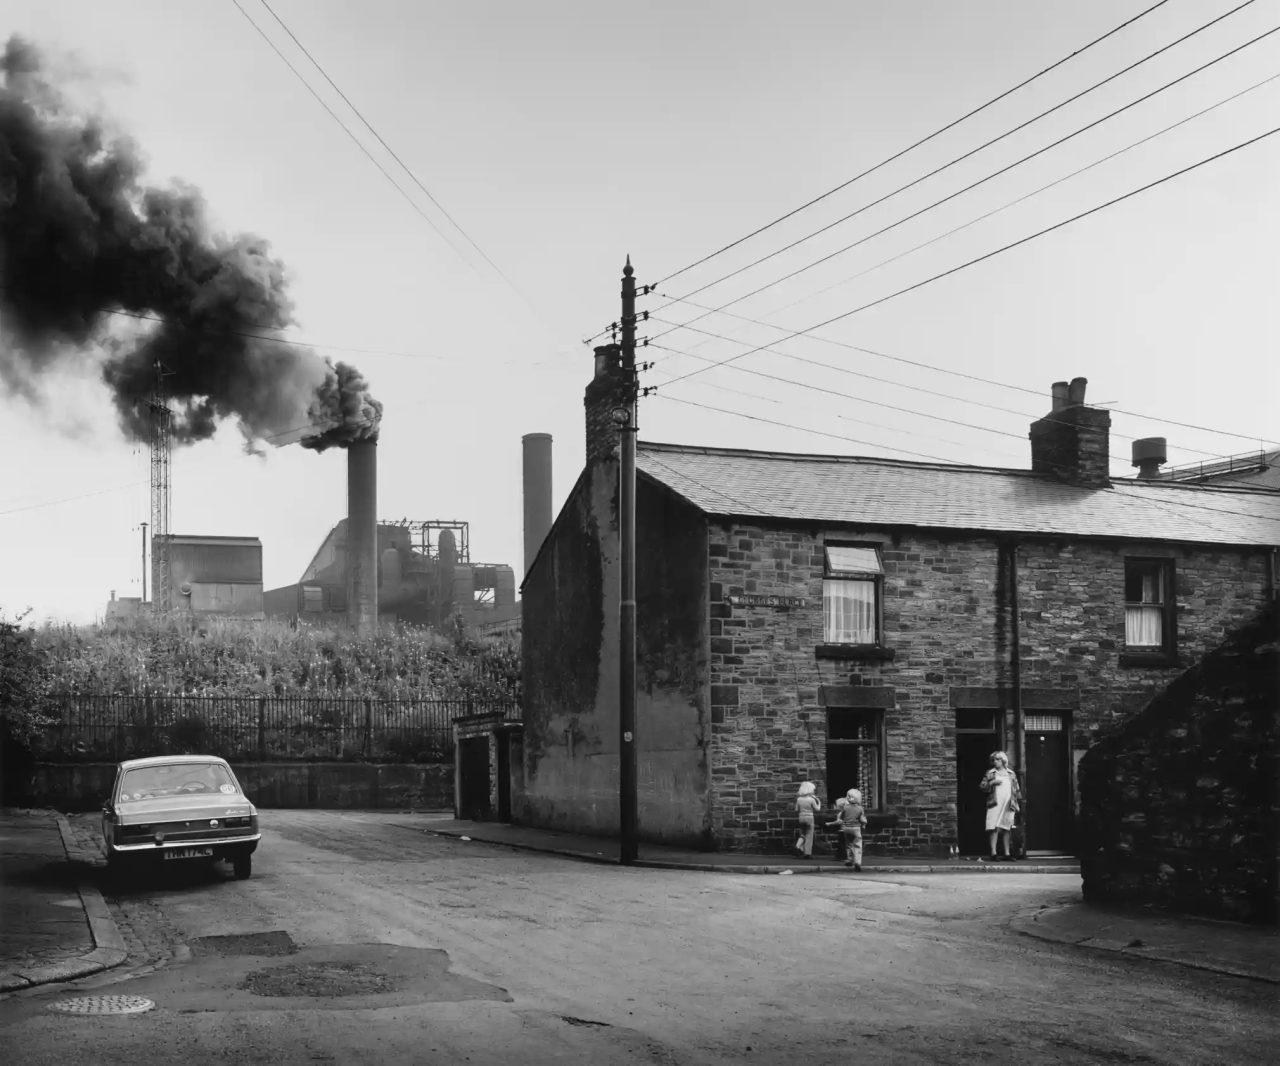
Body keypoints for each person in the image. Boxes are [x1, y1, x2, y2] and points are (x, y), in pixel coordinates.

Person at [979, 751, 1021, 861]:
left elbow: (1016, 790)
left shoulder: (1011, 774)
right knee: (994, 827)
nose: (995, 762)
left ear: (1003, 761)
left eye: (997, 759)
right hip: (995, 804)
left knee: (1007, 828)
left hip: (1008, 804)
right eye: (993, 760)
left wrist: (1017, 804)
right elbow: (982, 787)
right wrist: (992, 783)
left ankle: (1007, 853)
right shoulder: (990, 773)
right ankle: (993, 853)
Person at [838, 788, 868, 871]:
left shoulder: (845, 808)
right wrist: (864, 824)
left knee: (849, 844)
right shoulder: (860, 808)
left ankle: (849, 859)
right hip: (856, 828)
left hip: (846, 828)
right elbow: (862, 819)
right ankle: (857, 862)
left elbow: (841, 817)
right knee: (857, 845)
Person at [794, 781, 822, 858]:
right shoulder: (811, 800)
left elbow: (796, 810)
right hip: (809, 817)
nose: (813, 791)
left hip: (801, 817)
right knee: (809, 835)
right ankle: (807, 853)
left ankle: (797, 846)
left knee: (803, 834)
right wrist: (819, 802)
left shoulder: (799, 799)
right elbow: (817, 809)